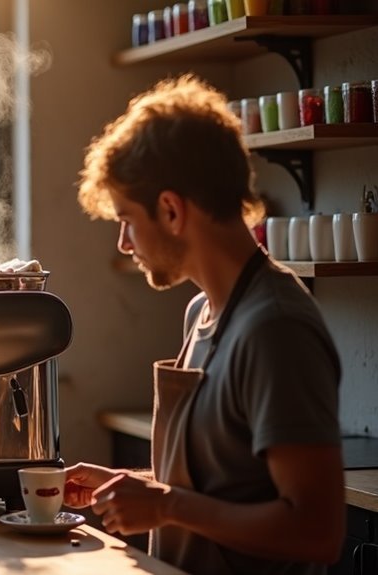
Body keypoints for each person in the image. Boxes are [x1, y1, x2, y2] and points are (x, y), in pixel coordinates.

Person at [69, 74, 344, 574]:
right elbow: (226, 482)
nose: (124, 244)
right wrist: (130, 485)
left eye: (127, 220)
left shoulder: (275, 329)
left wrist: (166, 506)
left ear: (171, 211)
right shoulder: (202, 313)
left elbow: (316, 530)